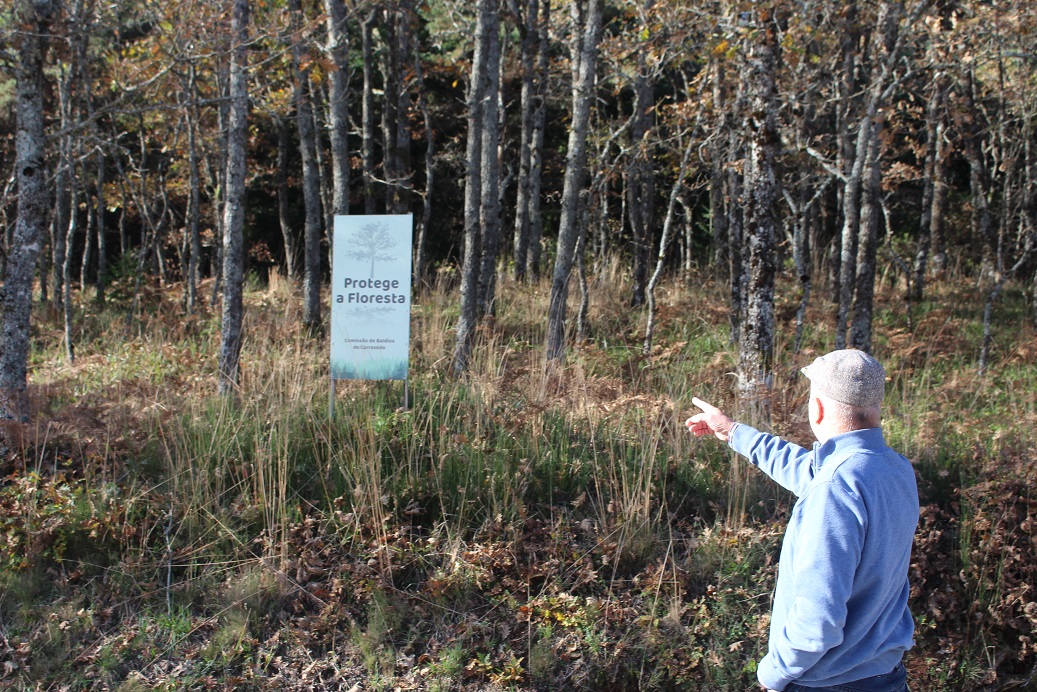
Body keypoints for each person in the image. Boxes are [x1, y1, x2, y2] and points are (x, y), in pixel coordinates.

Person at [686, 349, 918, 692]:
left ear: (819, 408)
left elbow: (818, 620)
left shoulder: (834, 486)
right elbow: (805, 469)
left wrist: (774, 674)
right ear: (876, 406)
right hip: (886, 677)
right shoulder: (894, 468)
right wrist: (733, 431)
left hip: (826, 684)